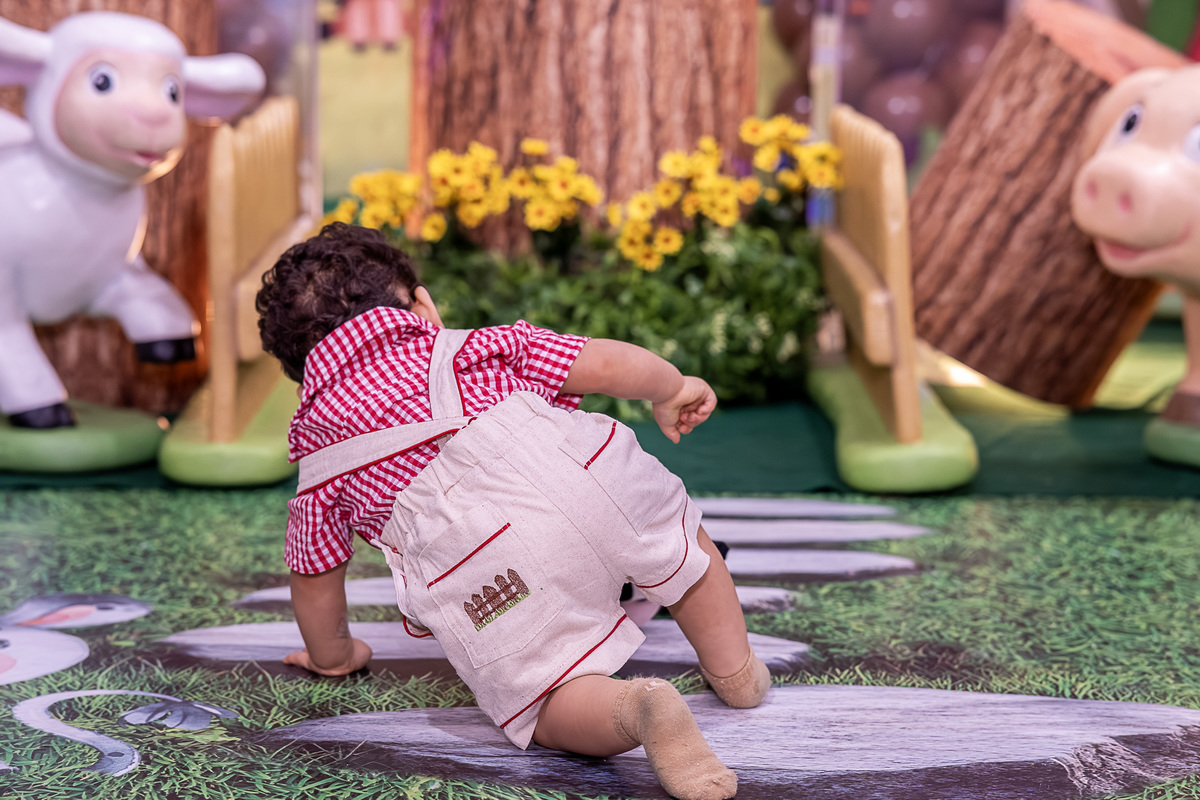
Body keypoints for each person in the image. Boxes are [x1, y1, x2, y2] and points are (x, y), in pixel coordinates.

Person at [256, 223, 770, 800]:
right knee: (684, 556)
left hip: (478, 558)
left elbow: (314, 575)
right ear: (420, 303)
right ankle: (737, 674)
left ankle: (636, 709)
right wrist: (671, 387)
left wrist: (334, 654)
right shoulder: (467, 348)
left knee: (545, 695)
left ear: (302, 373)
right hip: (585, 479)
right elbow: (596, 362)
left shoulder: (319, 455)